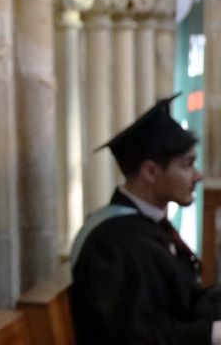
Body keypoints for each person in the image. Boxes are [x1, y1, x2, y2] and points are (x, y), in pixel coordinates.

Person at [70, 93, 221, 344]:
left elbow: (181, 301)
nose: (198, 176)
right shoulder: (113, 243)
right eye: (187, 165)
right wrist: (213, 334)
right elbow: (132, 335)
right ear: (151, 171)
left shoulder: (145, 227)